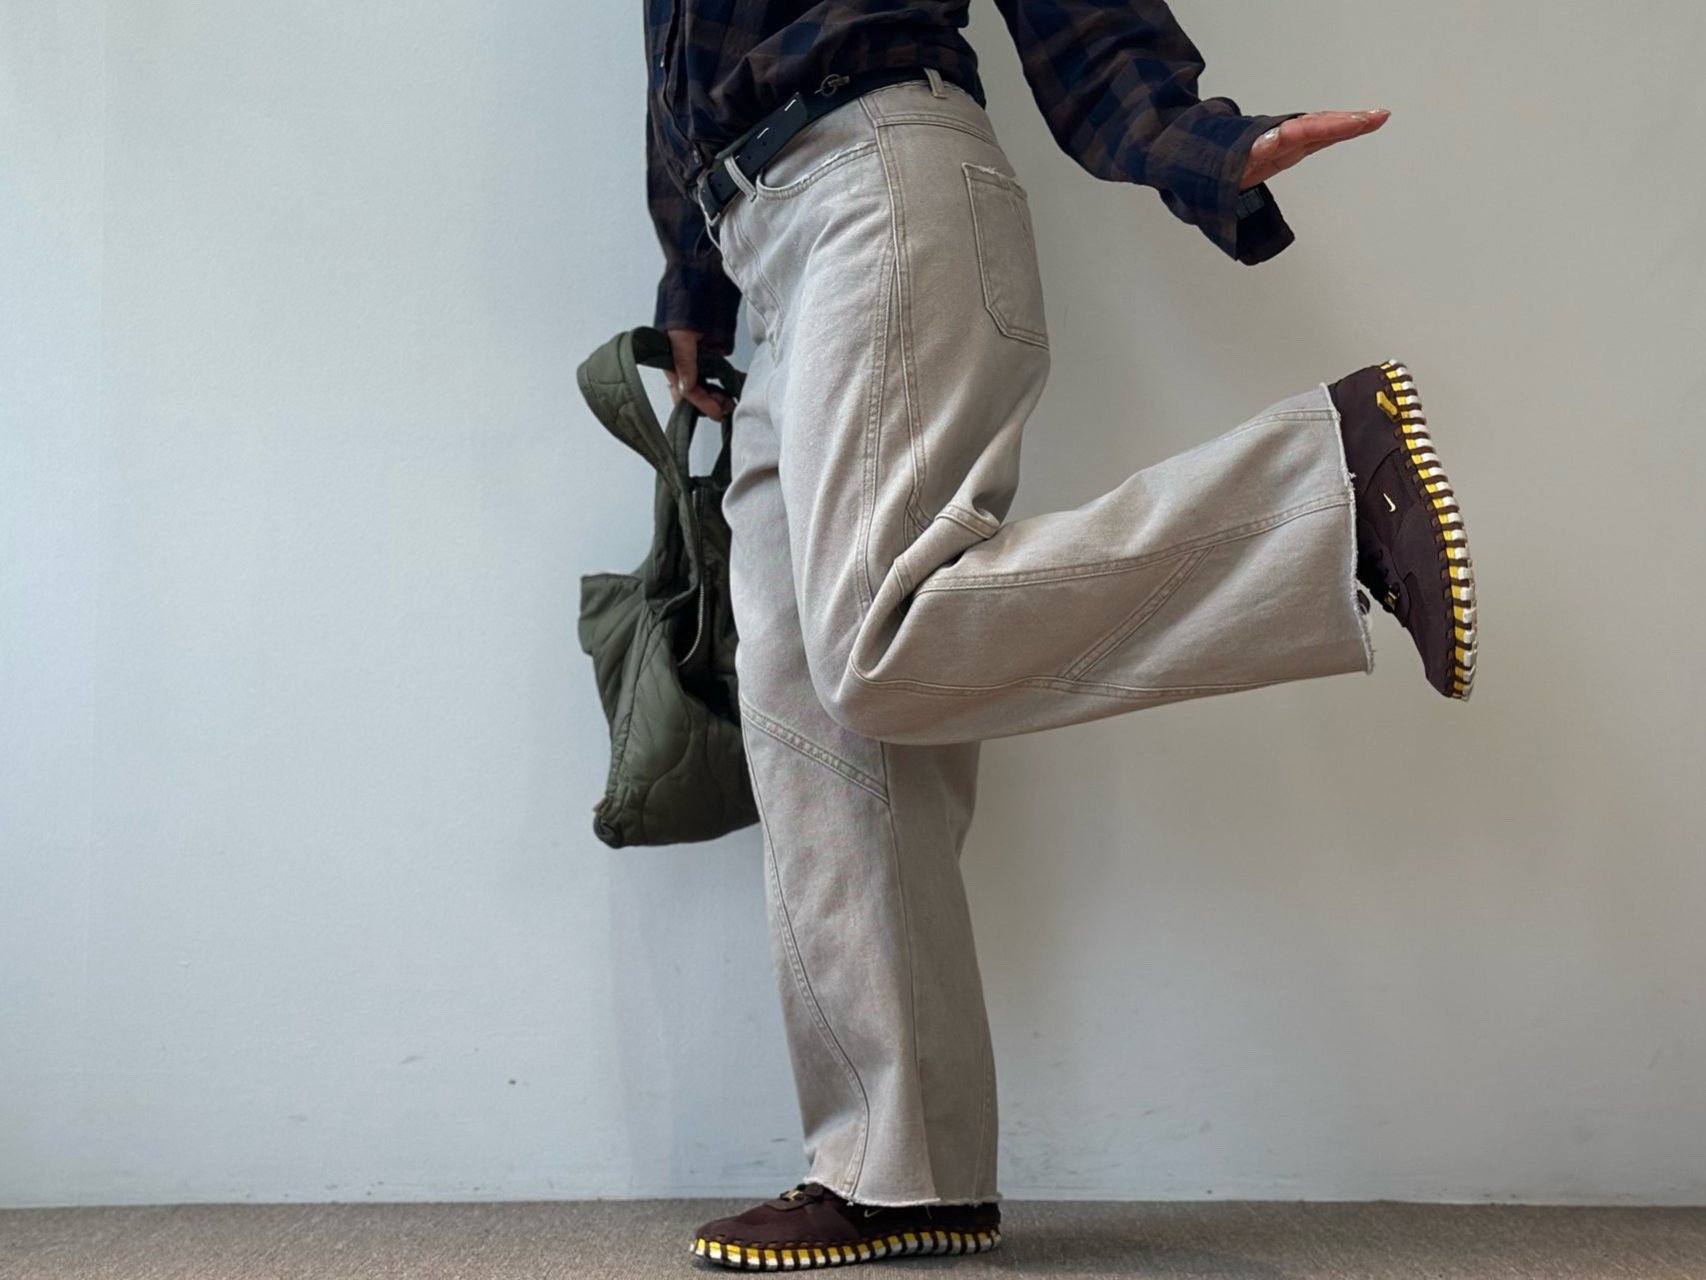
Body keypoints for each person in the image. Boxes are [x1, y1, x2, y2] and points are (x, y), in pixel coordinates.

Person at [641, 1, 1477, 1269]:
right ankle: (898, 1170)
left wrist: (1186, 135)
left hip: (873, 180)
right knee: (813, 707)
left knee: (873, 636)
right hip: (759, 244)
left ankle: (1325, 495)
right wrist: (694, 282)